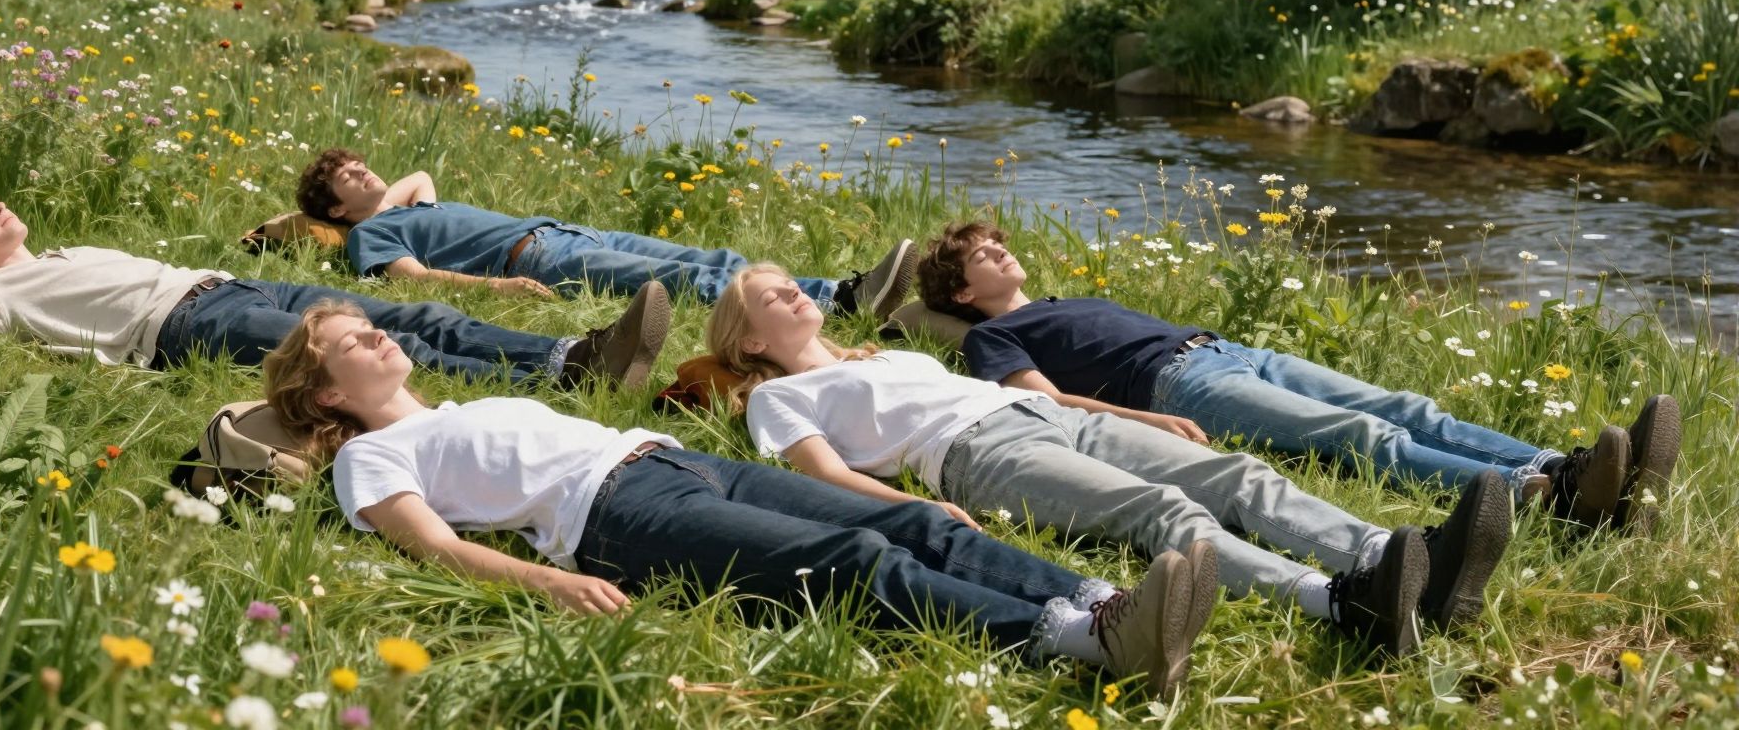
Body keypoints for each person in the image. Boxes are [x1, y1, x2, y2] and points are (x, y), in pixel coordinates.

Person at [263, 301, 1220, 698]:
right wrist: (545, 584)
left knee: (914, 518)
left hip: (675, 462)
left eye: (370, 327)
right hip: (616, 517)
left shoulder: (457, 405)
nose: (377, 337)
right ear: (327, 396)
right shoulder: (368, 461)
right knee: (858, 566)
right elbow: (432, 546)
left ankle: (1099, 598)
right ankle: (1082, 644)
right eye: (352, 342)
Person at [706, 264, 1513, 657]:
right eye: (768, 297)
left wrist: (1127, 410)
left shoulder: (880, 357)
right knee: (1159, 513)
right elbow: (822, 475)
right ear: (748, 341)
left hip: (1045, 414)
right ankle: (1340, 602)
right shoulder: (778, 400)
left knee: (1236, 474)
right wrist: (910, 509)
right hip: (983, 453)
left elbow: (1011, 369)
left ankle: (1391, 556)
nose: (790, 293)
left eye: (789, 284)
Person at [916, 220, 1682, 533]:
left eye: (997, 243)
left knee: (1404, 403)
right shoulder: (997, 337)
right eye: (981, 255)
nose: (999, 252)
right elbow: (1047, 407)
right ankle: (1541, 498)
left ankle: (1564, 465)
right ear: (960, 294)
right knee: (1361, 436)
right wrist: (1148, 422)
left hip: (1230, 350)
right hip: (1180, 387)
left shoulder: (1052, 300)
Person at [0, 179, 669, 387]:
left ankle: (573, 355)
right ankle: (557, 374)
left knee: (410, 308)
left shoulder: (56, 255)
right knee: (386, 347)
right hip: (186, 329)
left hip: (230, 283)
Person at [294, 148, 916, 314]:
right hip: (533, 260)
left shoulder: (407, 209)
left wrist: (365, 201)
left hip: (573, 233)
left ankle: (831, 291)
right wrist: (496, 291)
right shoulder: (365, 238)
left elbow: (419, 175)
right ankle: (837, 300)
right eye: (345, 175)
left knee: (710, 253)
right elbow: (416, 279)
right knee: (678, 279)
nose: (360, 167)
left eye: (357, 161)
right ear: (336, 211)